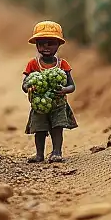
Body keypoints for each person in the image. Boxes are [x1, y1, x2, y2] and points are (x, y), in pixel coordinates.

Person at [21, 21, 77, 163]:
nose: (46, 47)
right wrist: (29, 87)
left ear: (58, 45)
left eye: (50, 43)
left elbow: (72, 86)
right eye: (41, 43)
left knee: (57, 128)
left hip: (58, 105)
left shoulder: (62, 64)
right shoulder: (32, 64)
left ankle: (57, 152)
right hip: (39, 106)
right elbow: (25, 84)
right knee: (39, 129)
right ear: (36, 45)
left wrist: (64, 90)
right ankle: (39, 154)